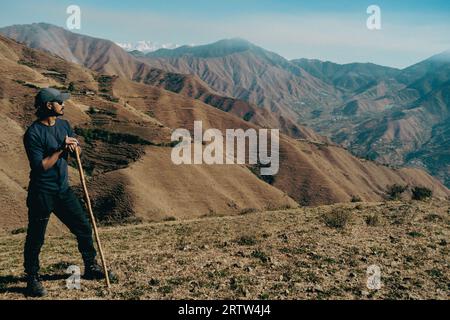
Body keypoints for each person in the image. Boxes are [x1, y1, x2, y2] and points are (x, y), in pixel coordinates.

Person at [23, 88, 111, 297]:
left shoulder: (64, 125)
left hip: (63, 190)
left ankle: (91, 266)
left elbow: (76, 148)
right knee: (36, 237)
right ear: (48, 106)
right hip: (42, 193)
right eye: (59, 102)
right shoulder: (33, 133)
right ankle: (32, 278)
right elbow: (40, 166)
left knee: (82, 226)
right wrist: (61, 149)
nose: (64, 104)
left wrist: (74, 148)